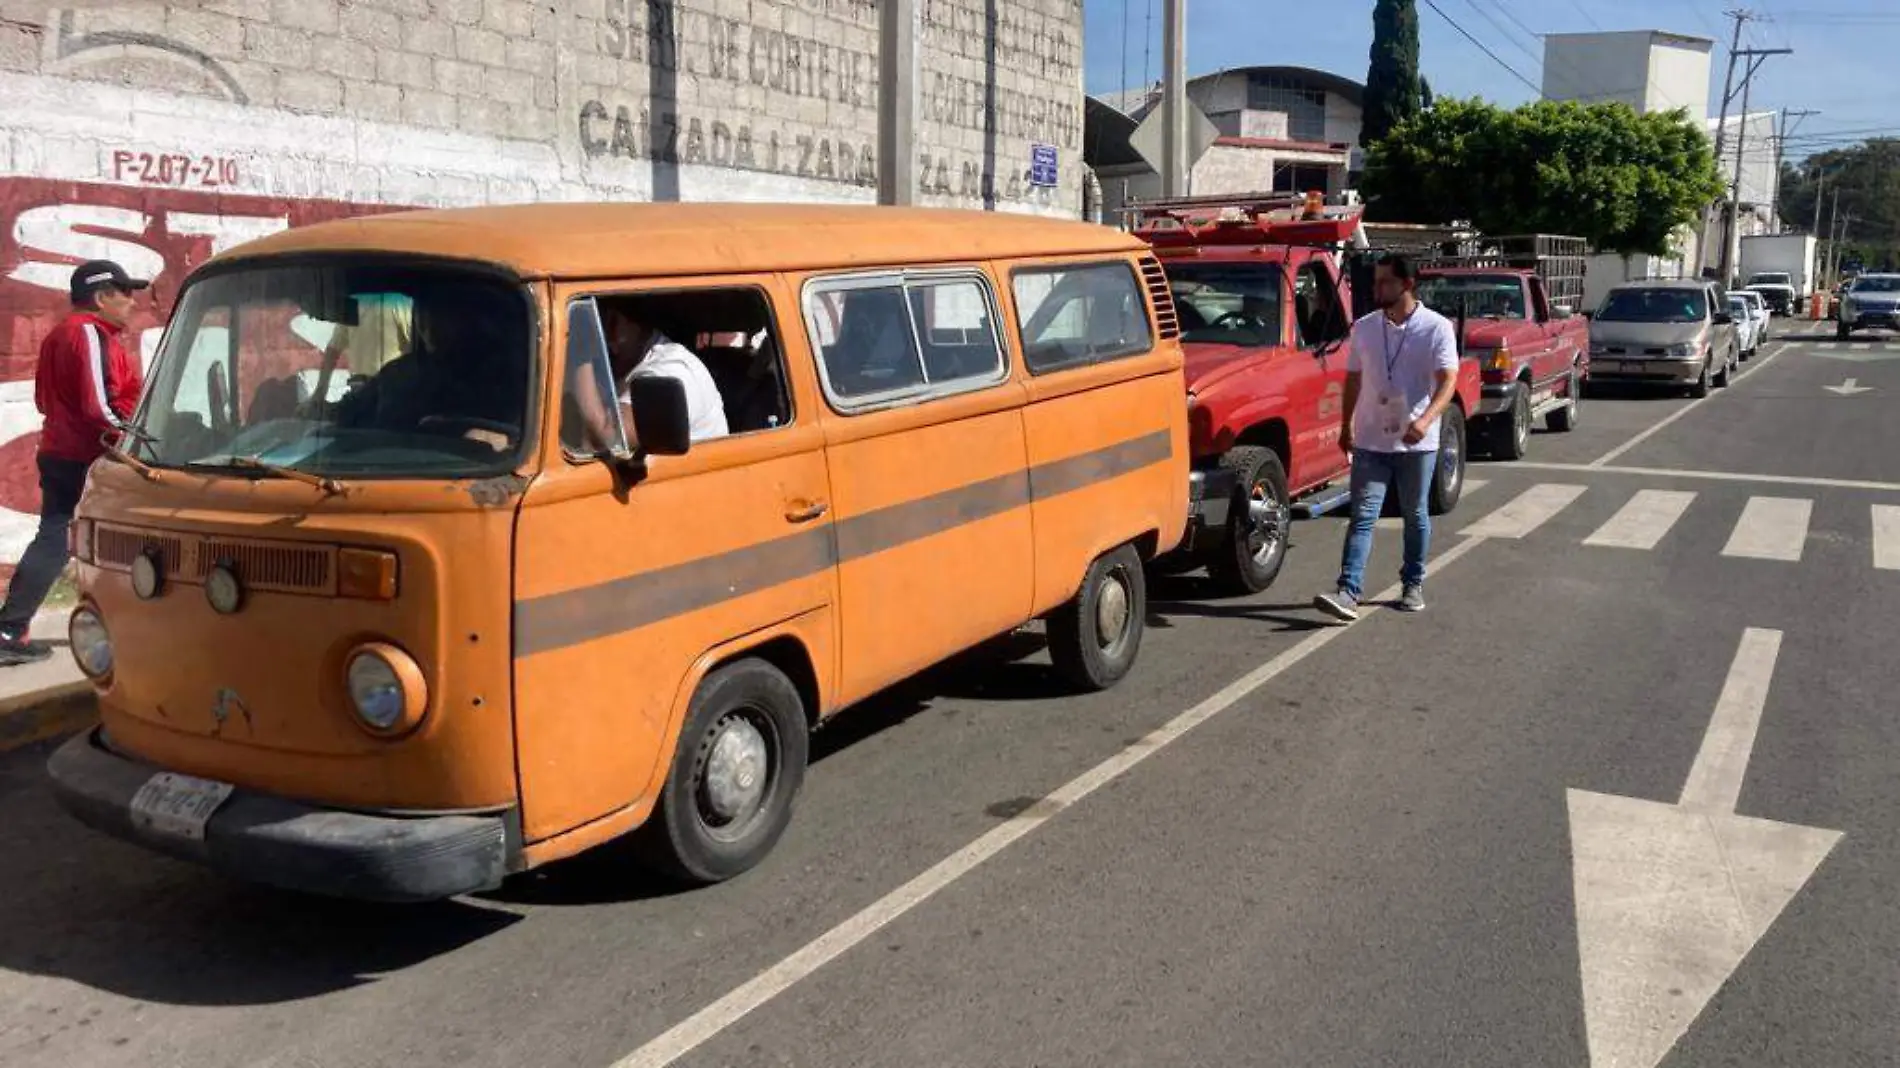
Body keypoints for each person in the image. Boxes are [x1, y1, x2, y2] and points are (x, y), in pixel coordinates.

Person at [0, 260, 148, 665]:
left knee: (58, 537)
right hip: (87, 456)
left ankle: (11, 627)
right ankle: (9, 629)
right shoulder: (86, 333)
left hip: (62, 451)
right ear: (101, 297)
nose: (132, 303)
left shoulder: (60, 336)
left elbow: (44, 402)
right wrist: (143, 439)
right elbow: (99, 406)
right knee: (88, 536)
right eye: (125, 293)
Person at [1313, 254, 1460, 623]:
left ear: (1407, 285)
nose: (1376, 289)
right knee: (1362, 516)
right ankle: (1348, 591)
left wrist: (1426, 420)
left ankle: (1413, 584)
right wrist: (1345, 425)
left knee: (1415, 515)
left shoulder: (1436, 327)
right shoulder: (1364, 327)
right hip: (1370, 440)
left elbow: (1447, 381)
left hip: (1416, 442)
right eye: (1375, 282)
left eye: (1384, 283)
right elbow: (1353, 380)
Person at [598, 305, 729, 444]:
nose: (604, 335)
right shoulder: (628, 360)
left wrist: (582, 358)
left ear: (638, 323)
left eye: (611, 323)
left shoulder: (671, 368)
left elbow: (608, 436)